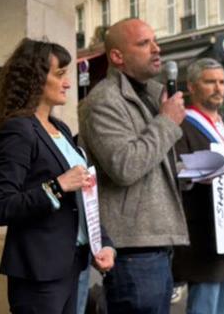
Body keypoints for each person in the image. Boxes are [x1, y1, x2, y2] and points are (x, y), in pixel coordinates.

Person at [0, 39, 116, 314]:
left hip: (76, 262)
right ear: (35, 79)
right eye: (59, 74)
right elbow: (3, 206)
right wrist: (58, 186)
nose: (68, 83)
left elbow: (83, 196)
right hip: (39, 272)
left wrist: (103, 243)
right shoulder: (18, 130)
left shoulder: (60, 127)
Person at [79, 18, 187, 314]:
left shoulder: (154, 95)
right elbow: (125, 166)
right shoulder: (102, 101)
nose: (156, 49)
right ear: (117, 56)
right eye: (144, 43)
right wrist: (166, 121)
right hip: (131, 247)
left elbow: (151, 164)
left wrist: (186, 175)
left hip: (156, 242)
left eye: (154, 40)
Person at [172, 58, 224, 314]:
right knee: (206, 305)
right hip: (204, 231)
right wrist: (219, 161)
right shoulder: (181, 123)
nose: (218, 88)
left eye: (221, 82)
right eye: (210, 82)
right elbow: (177, 172)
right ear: (192, 86)